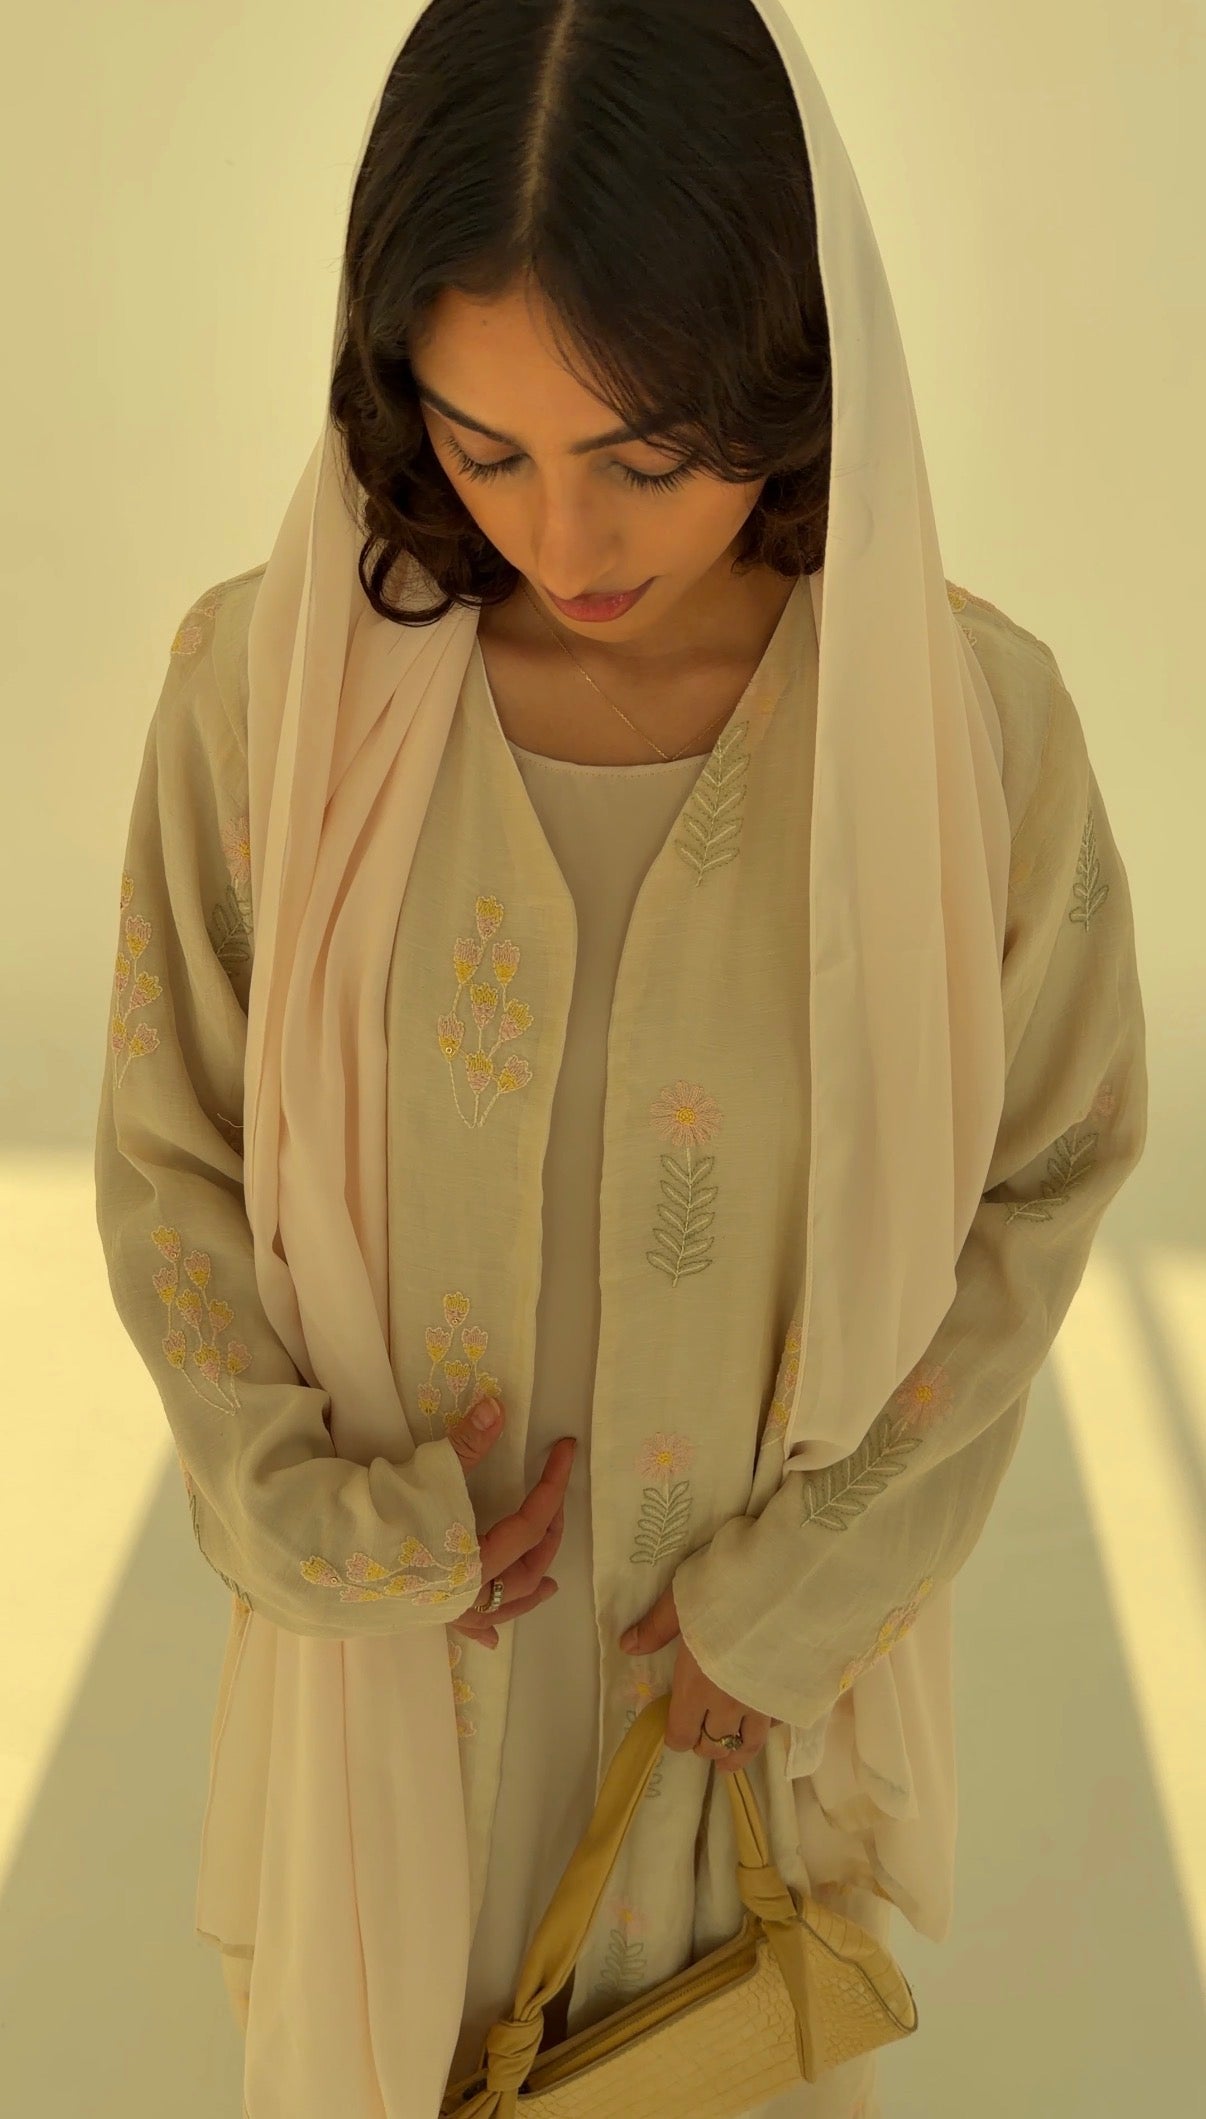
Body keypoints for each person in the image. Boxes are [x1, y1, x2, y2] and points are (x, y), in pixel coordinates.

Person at [93, 4, 1148, 2116]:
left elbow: (1045, 1182)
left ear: (788, 366)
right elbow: (166, 1156)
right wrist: (323, 1524)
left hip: (730, 1721)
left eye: (645, 457)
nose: (565, 543)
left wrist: (813, 1586)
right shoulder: (268, 705)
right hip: (387, 1716)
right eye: (486, 450)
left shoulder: (963, 746)